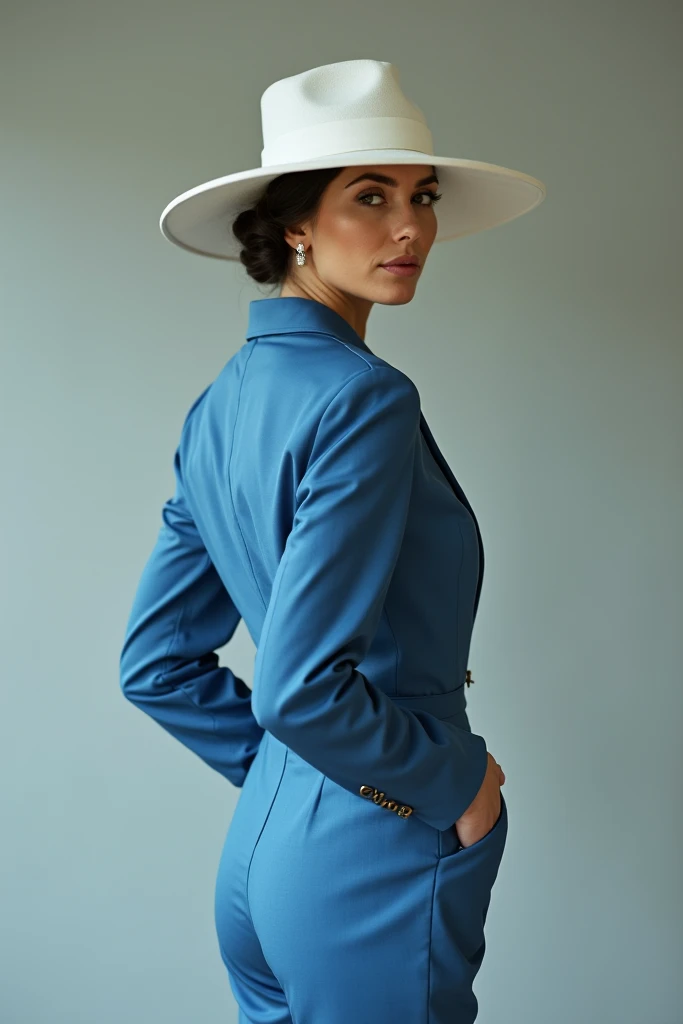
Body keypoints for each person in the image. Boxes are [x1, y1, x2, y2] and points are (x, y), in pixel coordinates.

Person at [120, 59, 545, 1024]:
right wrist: (451, 781)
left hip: (263, 863)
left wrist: (296, 770)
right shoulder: (365, 398)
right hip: (371, 858)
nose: (411, 228)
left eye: (422, 197)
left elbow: (155, 665)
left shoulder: (219, 405)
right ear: (297, 225)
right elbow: (301, 686)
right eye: (370, 197)